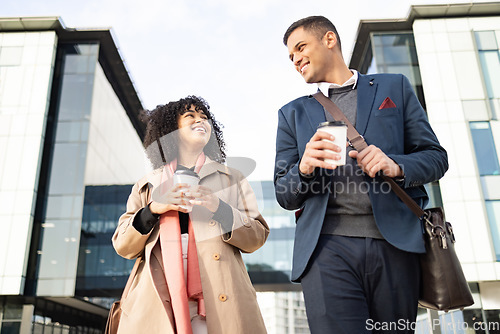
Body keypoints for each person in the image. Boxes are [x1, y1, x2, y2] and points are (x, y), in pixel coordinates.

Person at [274, 16, 448, 333]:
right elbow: (284, 194)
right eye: (290, 57)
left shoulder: (394, 87)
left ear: (329, 40)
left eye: (300, 48)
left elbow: (436, 158)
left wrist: (396, 165)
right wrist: (304, 168)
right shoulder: (292, 114)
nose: (296, 59)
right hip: (326, 250)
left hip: (395, 246)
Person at [113, 96, 269, 334]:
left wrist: (219, 207)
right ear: (171, 130)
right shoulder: (146, 185)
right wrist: (154, 208)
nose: (200, 121)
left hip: (220, 297)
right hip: (158, 302)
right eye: (190, 117)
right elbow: (124, 246)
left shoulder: (231, 178)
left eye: (204, 117)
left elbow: (256, 237)